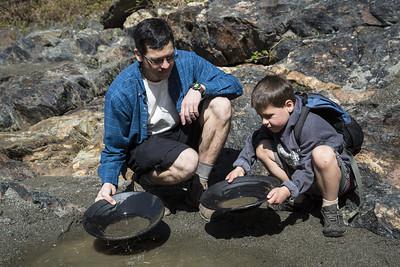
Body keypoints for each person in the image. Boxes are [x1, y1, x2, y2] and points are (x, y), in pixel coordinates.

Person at [95, 18, 243, 219]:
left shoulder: (186, 61)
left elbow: (233, 84)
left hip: (181, 128)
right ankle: (145, 180)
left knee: (221, 105)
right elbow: (114, 148)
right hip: (146, 144)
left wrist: (199, 88)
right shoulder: (122, 91)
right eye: (156, 60)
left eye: (169, 57)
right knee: (188, 162)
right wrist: (108, 183)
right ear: (138, 55)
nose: (165, 66)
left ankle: (199, 186)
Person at [225, 74, 357, 237]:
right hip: (305, 176)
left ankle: (330, 207)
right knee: (261, 148)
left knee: (322, 154)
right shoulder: (274, 122)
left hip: (334, 179)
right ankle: (301, 198)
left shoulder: (311, 124)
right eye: (261, 117)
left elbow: (308, 167)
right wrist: (241, 166)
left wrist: (286, 189)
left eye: (268, 116)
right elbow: (254, 139)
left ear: (289, 105)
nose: (264, 122)